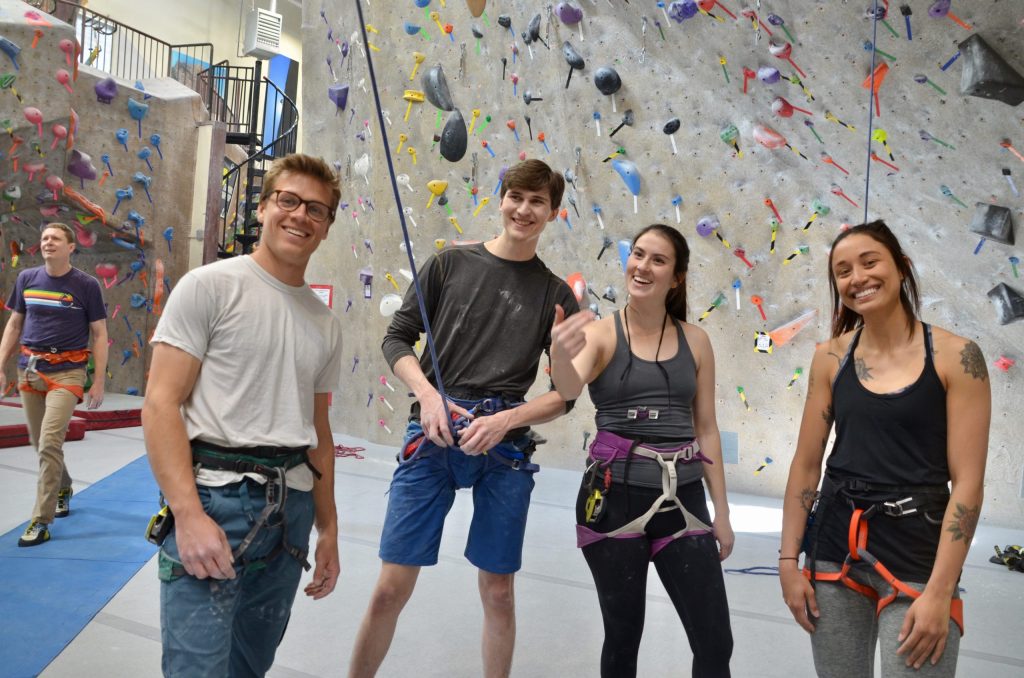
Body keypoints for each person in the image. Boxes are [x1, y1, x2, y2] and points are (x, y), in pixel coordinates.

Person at [348, 159, 579, 678]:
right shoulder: (449, 266)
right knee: (389, 589)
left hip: (503, 443)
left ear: (553, 213)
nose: (524, 209)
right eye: (516, 196)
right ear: (500, 198)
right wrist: (428, 396)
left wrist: (506, 421)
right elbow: (396, 337)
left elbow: (565, 395)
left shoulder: (555, 295)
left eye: (537, 201)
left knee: (499, 593)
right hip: (433, 429)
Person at [142, 153, 343, 677]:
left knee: (250, 667)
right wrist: (186, 514)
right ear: (262, 207)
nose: (300, 215)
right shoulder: (208, 286)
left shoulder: (324, 324)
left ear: (325, 228)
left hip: (290, 512)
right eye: (288, 200)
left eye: (316, 210)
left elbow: (318, 433)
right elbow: (162, 402)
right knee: (197, 671)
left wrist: (330, 531)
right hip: (215, 500)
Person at [779, 220, 990, 677]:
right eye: (842, 271)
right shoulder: (830, 357)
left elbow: (969, 483)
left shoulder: (958, 357)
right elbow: (806, 464)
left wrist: (941, 590)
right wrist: (787, 562)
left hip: (918, 553)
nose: (857, 278)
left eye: (870, 262)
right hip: (837, 548)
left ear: (901, 267)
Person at [549, 224, 734, 678]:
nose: (642, 266)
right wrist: (558, 352)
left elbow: (706, 428)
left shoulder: (696, 341)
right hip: (613, 500)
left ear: (677, 278)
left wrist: (722, 513)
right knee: (623, 633)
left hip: (684, 502)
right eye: (639, 255)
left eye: (658, 260)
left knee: (715, 640)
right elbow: (567, 390)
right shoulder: (602, 335)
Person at [0, 223, 108, 547]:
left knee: (49, 441)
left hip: (68, 372)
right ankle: (63, 486)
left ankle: (40, 520)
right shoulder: (26, 279)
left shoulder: (86, 285)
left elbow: (100, 333)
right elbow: (15, 324)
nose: (48, 242)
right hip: (30, 371)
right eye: (44, 237)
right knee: (41, 443)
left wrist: (98, 380)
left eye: (55, 238)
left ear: (71, 247)